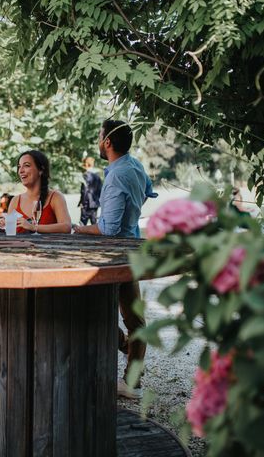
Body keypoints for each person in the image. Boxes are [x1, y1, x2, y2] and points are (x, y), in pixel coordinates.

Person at [74, 119, 157, 399]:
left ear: (107, 142)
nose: (98, 141)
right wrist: (131, 217)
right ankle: (132, 374)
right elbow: (149, 190)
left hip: (113, 255)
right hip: (132, 246)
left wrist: (79, 229)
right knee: (134, 319)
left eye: (99, 136)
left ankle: (129, 374)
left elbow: (107, 229)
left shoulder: (117, 175)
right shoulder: (135, 166)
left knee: (97, 315)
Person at [1, 150, 71, 234]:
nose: (21, 170)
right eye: (19, 166)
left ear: (41, 170)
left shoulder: (55, 197)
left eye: (26, 165)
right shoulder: (15, 201)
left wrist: (34, 227)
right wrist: (1, 228)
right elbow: (10, 231)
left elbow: (66, 227)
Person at [78, 156, 102, 225]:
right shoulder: (97, 176)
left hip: (87, 204)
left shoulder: (85, 175)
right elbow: (100, 190)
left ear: (86, 164)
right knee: (94, 224)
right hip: (95, 204)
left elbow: (84, 191)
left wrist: (82, 203)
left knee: (82, 225)